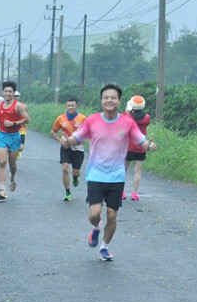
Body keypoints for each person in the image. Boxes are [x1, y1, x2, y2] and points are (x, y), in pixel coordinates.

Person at [61, 84, 157, 262]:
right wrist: (67, 141)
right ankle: (97, 228)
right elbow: (77, 137)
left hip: (117, 176)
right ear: (101, 100)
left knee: (112, 214)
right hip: (96, 175)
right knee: (94, 214)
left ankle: (104, 247)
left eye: (113, 97)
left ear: (120, 101)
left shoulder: (127, 122)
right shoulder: (92, 120)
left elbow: (141, 140)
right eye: (106, 97)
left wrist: (149, 146)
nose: (109, 100)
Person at [0, 81, 30, 201]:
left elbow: (27, 119)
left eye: (10, 91)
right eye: (6, 91)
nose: (8, 93)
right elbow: (0, 118)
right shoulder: (0, 105)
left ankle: (12, 177)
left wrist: (14, 123)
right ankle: (2, 190)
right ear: (3, 92)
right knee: (2, 162)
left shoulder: (18, 106)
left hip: (14, 136)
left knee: (12, 164)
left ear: (14, 93)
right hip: (2, 135)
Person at [50, 97, 87, 201]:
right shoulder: (61, 118)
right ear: (66, 106)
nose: (70, 107)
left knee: (76, 172)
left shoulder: (83, 118)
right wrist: (60, 141)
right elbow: (53, 132)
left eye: (72, 105)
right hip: (65, 147)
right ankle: (67, 192)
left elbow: (88, 132)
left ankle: (75, 177)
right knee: (65, 168)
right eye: (68, 105)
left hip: (78, 148)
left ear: (76, 107)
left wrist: (80, 140)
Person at [123, 95, 151, 201]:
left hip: (129, 146)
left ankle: (122, 192)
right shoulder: (147, 117)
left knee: (123, 170)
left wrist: (128, 109)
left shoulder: (128, 117)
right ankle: (134, 193)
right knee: (138, 171)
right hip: (141, 147)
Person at [14, 91, 27, 159]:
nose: (16, 98)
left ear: (19, 97)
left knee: (21, 147)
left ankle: (18, 152)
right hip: (12, 129)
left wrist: (23, 122)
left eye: (17, 96)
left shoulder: (24, 106)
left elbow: (27, 117)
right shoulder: (9, 106)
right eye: (15, 96)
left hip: (22, 129)